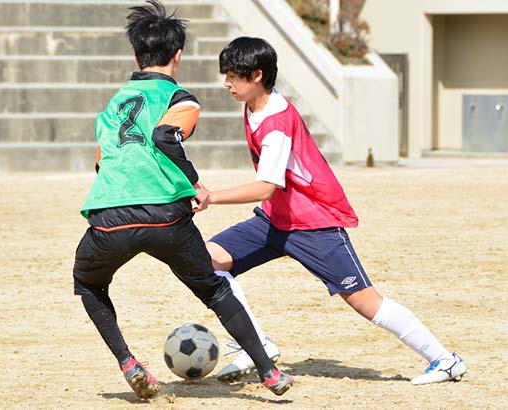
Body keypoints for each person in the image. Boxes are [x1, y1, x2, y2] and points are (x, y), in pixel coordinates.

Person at [196, 37, 467, 386]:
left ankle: (445, 360)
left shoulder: (277, 122)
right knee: (208, 261)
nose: (226, 83)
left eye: (234, 76)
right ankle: (256, 344)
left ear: (258, 76)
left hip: (313, 223)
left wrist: (212, 197)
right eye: (226, 75)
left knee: (365, 301)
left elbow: (267, 186)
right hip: (275, 219)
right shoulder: (252, 105)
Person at [72, 6, 293, 400]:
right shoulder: (181, 98)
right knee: (213, 288)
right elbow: (165, 137)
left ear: (136, 56)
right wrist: (194, 183)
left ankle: (128, 362)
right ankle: (269, 371)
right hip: (166, 217)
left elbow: (100, 161)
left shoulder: (113, 104)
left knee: (89, 285)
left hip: (109, 218)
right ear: (177, 56)